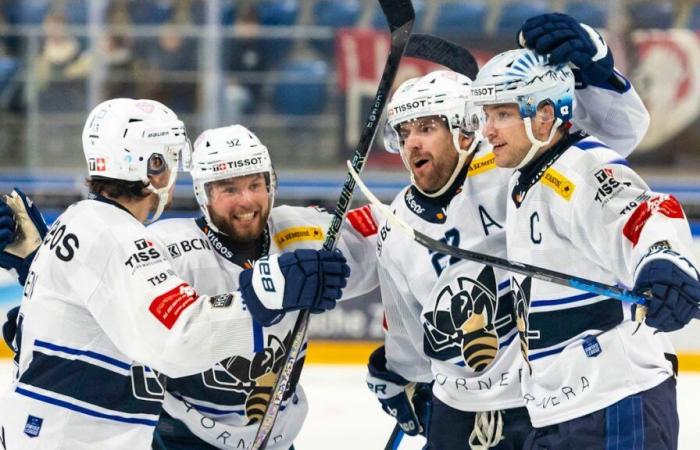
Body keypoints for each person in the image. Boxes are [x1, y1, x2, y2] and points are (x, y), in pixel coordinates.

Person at [366, 15, 651, 450]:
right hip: (455, 410)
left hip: (538, 399)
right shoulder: (396, 223)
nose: (413, 145)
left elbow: (614, 137)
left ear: (464, 129)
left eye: (426, 128)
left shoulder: (513, 169)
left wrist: (595, 70)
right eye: (404, 133)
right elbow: (407, 328)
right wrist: (402, 374)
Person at [0, 98, 349, 449]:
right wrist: (265, 294)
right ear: (150, 164)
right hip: (76, 437)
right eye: (169, 157)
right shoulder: (118, 236)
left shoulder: (84, 220)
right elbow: (179, 338)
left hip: (52, 430)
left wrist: (32, 263)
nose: (174, 172)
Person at [470, 43, 700, 449]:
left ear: (544, 115)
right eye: (487, 115)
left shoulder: (580, 168)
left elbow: (649, 213)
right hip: (561, 413)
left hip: (617, 405)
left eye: (503, 114)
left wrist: (665, 263)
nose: (488, 130)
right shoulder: (526, 175)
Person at [147, 124, 377, 449]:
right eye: (229, 189)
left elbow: (391, 235)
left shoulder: (300, 231)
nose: (247, 201)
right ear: (203, 194)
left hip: (277, 439)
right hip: (186, 439)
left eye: (256, 184)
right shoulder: (169, 249)